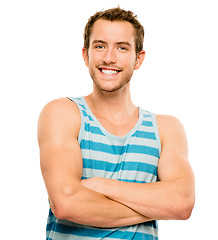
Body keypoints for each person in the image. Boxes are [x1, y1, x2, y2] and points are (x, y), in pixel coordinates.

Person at [38, 7, 195, 240]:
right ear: (86, 55)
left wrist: (101, 186)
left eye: (122, 47)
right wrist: (156, 205)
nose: (109, 57)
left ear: (138, 58)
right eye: (100, 46)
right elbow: (66, 204)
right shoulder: (63, 113)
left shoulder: (165, 129)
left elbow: (182, 203)